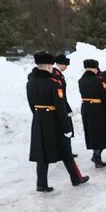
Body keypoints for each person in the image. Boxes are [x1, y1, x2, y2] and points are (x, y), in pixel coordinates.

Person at [26, 52, 89, 192]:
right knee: (66, 150)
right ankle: (76, 178)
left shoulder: (30, 82)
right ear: (49, 65)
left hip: (39, 120)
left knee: (42, 152)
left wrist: (39, 116)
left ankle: (41, 184)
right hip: (54, 120)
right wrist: (67, 128)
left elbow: (31, 104)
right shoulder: (54, 83)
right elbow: (60, 107)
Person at [78, 59, 106, 168]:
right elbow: (105, 96)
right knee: (100, 132)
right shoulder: (98, 80)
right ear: (95, 68)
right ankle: (97, 157)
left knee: (91, 132)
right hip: (97, 108)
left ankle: (95, 155)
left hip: (86, 108)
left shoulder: (80, 80)